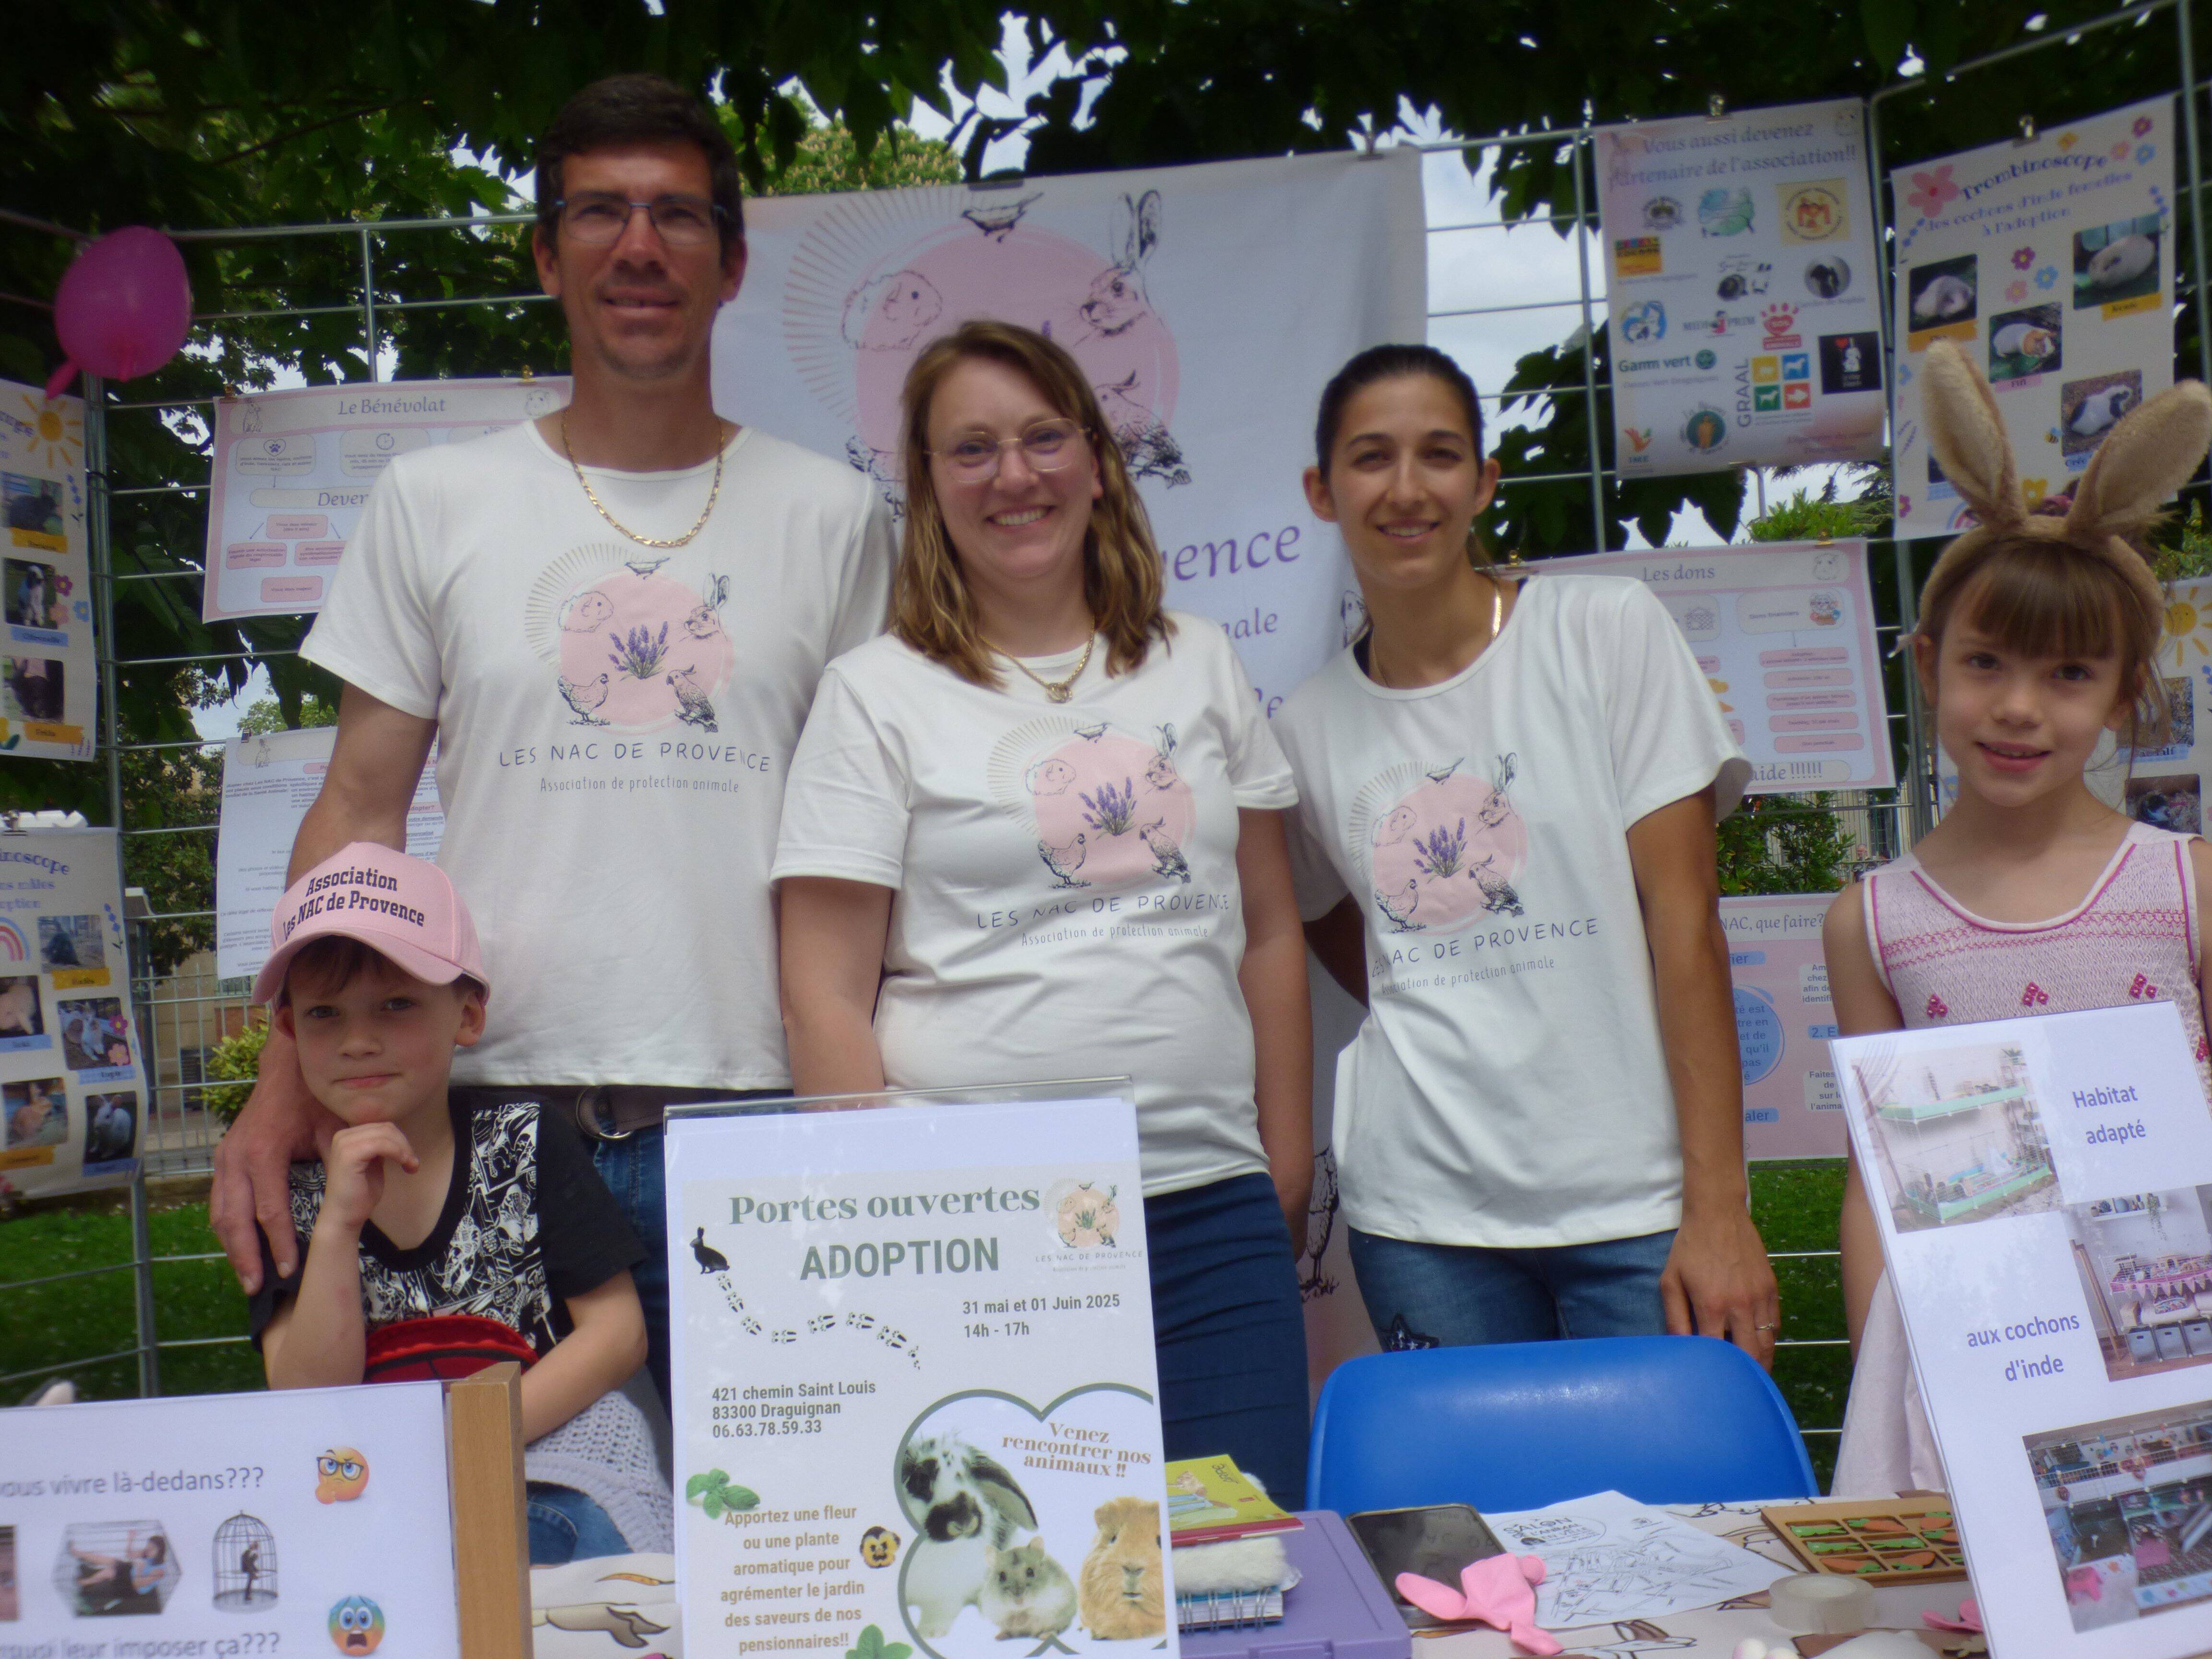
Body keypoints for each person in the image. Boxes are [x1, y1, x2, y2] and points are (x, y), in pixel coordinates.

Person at [207, 72, 895, 1407]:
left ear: (732, 263)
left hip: (766, 1124)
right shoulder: (436, 501)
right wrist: (284, 1074)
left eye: (677, 215)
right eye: (599, 213)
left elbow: (872, 840)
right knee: (524, 1528)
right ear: (544, 253)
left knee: (793, 1525)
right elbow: (359, 806)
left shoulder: (835, 516)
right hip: (497, 1133)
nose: (639, 247)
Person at [774, 320, 1315, 1503]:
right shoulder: (874, 696)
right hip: (979, 1233)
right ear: (928, 488)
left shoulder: (1201, 661)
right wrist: (891, 1228)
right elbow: (822, 994)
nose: (1013, 475)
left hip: (1209, 1213)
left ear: (1099, 462)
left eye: (1043, 438)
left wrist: (1283, 1161)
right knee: (1018, 1571)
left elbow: (1272, 930)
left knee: (1241, 1564)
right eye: (971, 450)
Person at [1274, 344, 1778, 1357]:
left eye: (1439, 454)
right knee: (1475, 1474)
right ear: (1322, 492)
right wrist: (1451, 985)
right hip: (1422, 1219)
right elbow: (1321, 913)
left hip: (1639, 1203)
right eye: (1371, 458)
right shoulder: (1306, 726)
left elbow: (1687, 925)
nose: (1406, 489)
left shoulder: (1605, 632)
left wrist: (1720, 1208)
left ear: (1483, 482)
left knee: (1680, 1469)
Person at [1828, 340, 2212, 1493]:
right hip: (1979, 1363)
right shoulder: (1873, 922)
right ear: (1929, 663)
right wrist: (1895, 1385)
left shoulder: (2190, 885)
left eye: (2069, 675)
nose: (2018, 708)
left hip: (2182, 1347)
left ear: (2126, 690)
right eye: (1987, 662)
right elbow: (1874, 1181)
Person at [248, 842, 667, 1564]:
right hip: (366, 1484)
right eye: (324, 1014)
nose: (358, 1041)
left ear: (467, 1015)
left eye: (397, 1005)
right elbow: (309, 1394)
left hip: (541, 1460)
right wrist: (339, 1227)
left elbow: (617, 1332)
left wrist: (463, 1444)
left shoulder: (525, 1141)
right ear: (289, 1031)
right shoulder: (290, 1192)